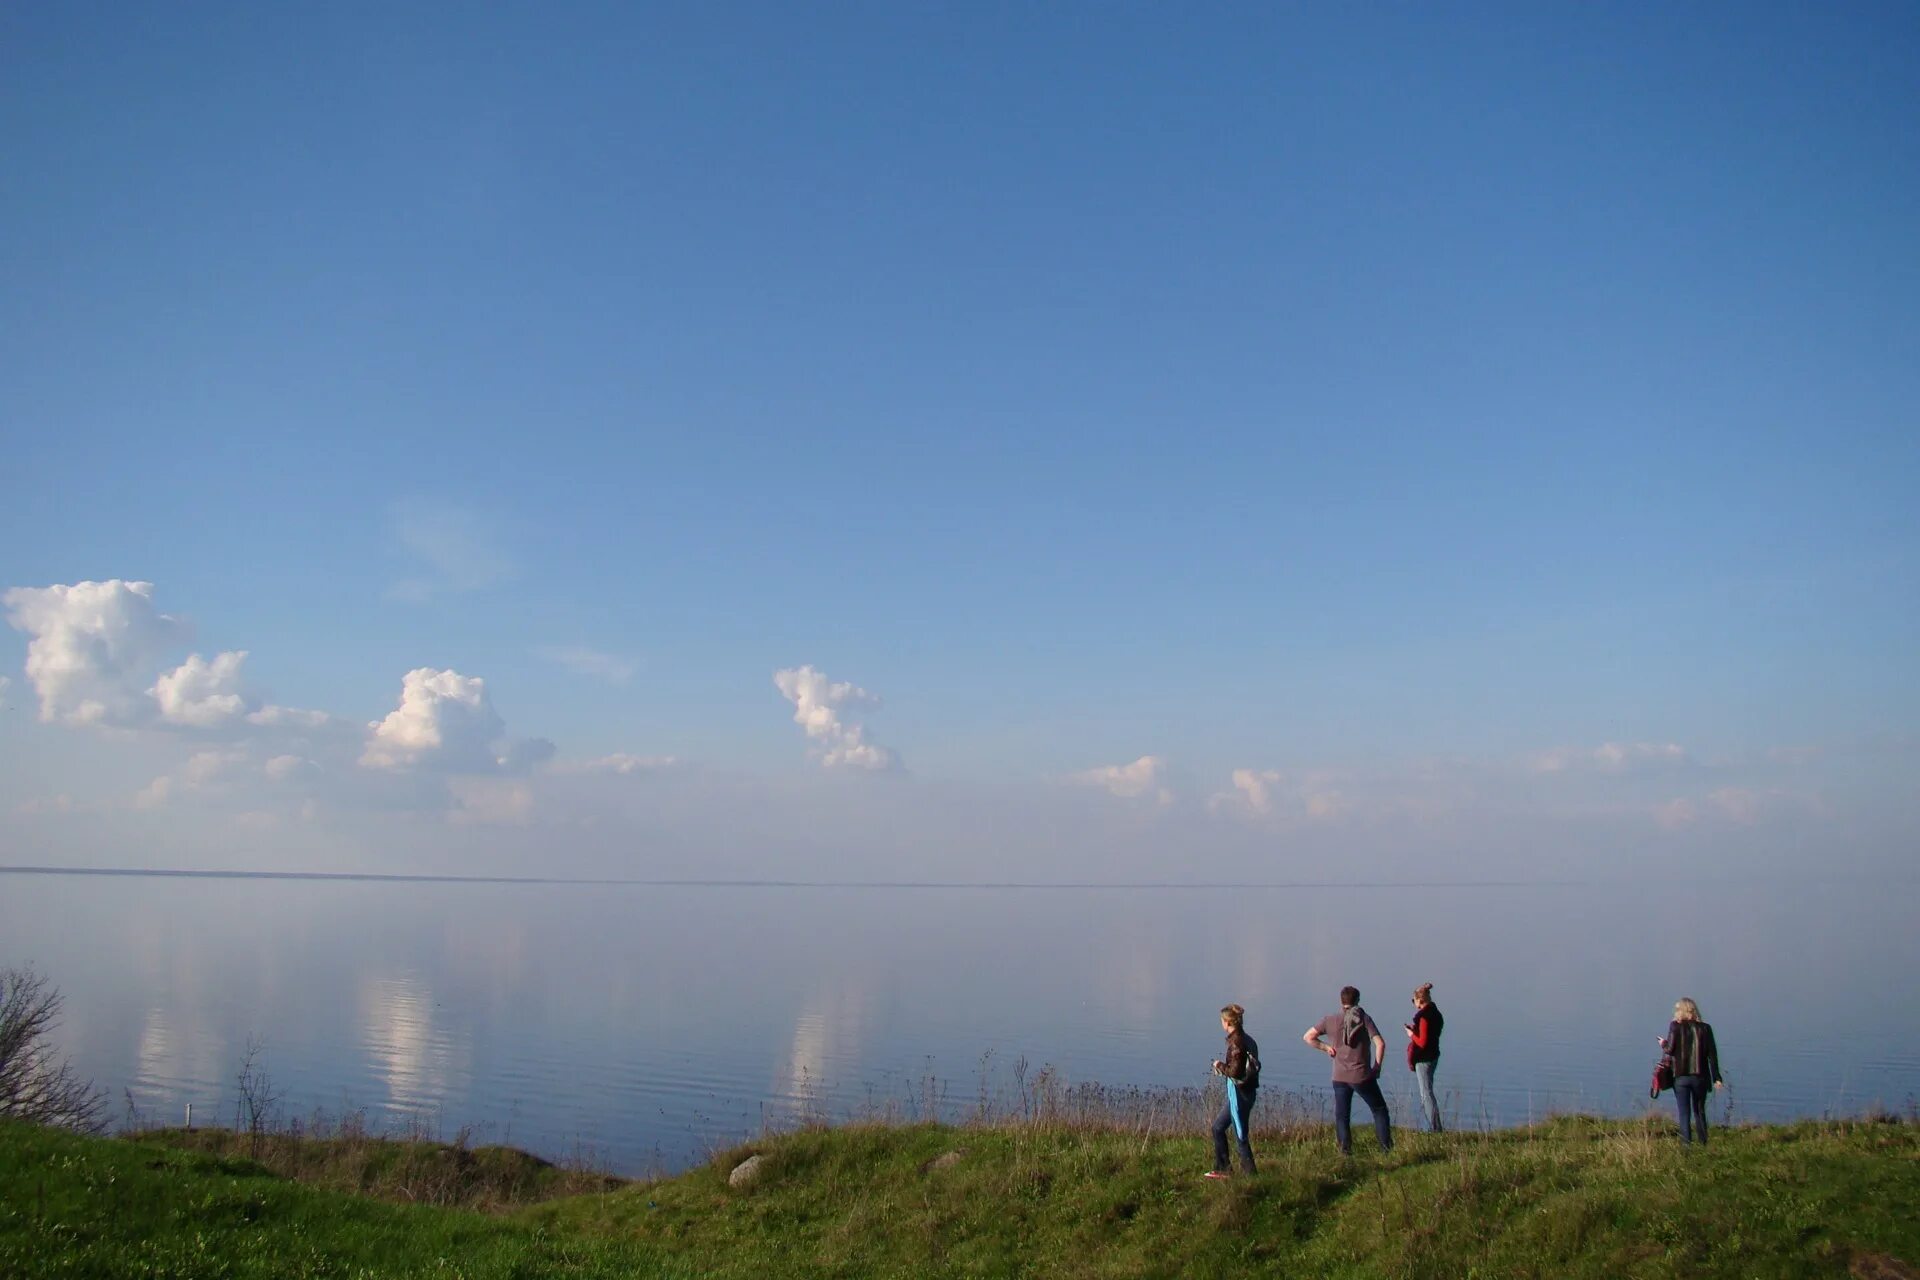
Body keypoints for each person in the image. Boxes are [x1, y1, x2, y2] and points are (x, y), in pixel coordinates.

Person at [1304, 985, 1393, 1156]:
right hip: (1361, 1076)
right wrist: (1377, 1067)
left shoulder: (1329, 1020)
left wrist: (1326, 1048)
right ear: (1357, 1001)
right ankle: (1386, 1150)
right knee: (1379, 1110)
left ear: (1341, 1001)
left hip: (1339, 1076)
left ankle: (1345, 1152)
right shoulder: (1364, 1019)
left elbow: (1308, 1037)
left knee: (1342, 1116)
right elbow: (1380, 1043)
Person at [1205, 1003, 1260, 1179]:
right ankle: (1223, 1168)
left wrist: (1218, 1065)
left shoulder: (1237, 1042)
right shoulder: (1248, 1039)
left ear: (1227, 1022)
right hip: (1246, 1092)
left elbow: (1235, 1072)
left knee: (1240, 1134)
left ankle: (1250, 1175)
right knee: (1218, 1127)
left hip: (1240, 1094)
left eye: (1222, 1021)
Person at [1660, 997, 1723, 1147]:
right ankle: (1703, 1142)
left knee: (1684, 1113)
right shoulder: (1705, 1028)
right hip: (1700, 1076)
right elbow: (1712, 1055)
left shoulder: (1675, 1026)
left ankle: (1686, 1145)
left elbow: (1669, 1050)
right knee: (1699, 1110)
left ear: (1680, 1011)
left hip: (1680, 1077)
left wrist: (1662, 1043)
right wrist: (1717, 1078)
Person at [1404, 982, 1444, 1133]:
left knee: (1426, 1094)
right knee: (1428, 1091)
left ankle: (1435, 1128)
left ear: (1420, 1001)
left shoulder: (1424, 1017)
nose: (1414, 1004)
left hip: (1424, 1059)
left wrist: (1411, 1034)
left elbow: (1422, 1042)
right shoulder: (1436, 1013)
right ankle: (1434, 1126)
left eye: (1414, 1001)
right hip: (1434, 1055)